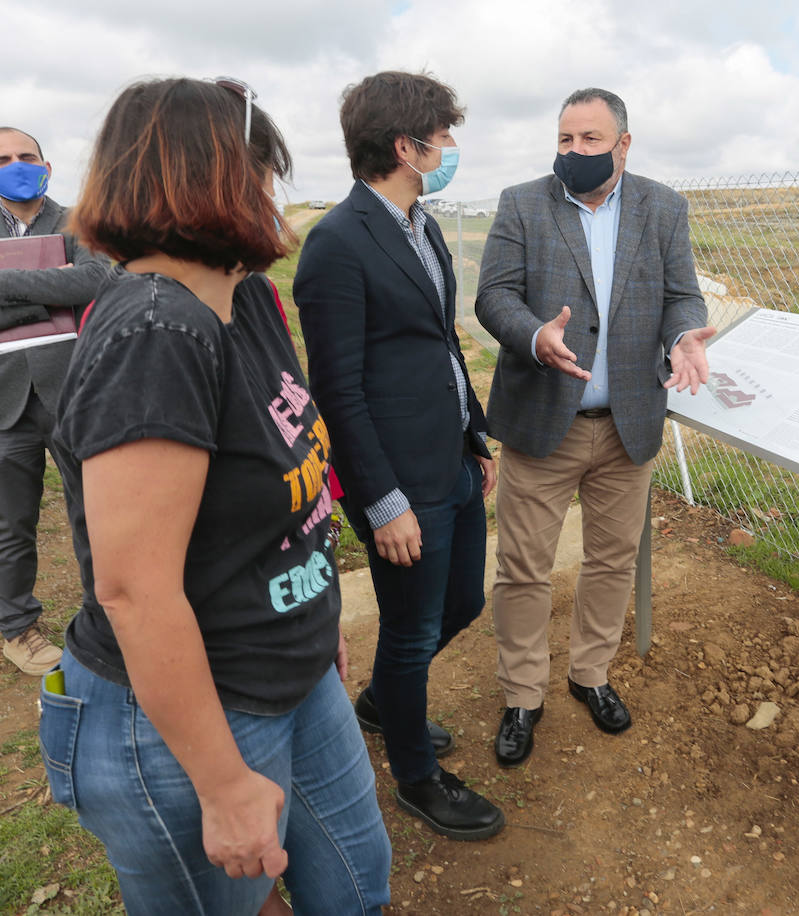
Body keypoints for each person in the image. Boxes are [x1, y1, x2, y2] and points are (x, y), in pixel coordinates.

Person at [37, 78, 390, 915]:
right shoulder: (157, 334)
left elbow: (284, 495)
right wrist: (223, 784)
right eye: (265, 170)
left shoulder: (249, 300)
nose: (275, 193)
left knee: (354, 884)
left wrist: (314, 624)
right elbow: (134, 587)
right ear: (216, 179)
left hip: (291, 674)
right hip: (188, 720)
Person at [475, 88, 715, 768]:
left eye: (588, 139)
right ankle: (523, 694)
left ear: (624, 144)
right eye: (564, 140)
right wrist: (532, 337)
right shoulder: (523, 203)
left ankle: (591, 674)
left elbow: (681, 295)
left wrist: (684, 337)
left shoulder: (662, 207)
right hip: (543, 421)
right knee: (523, 567)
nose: (574, 152)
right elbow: (493, 295)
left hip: (627, 424)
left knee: (612, 560)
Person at [293, 70, 503, 841]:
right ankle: (416, 777)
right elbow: (337, 392)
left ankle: (383, 700)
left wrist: (473, 433)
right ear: (404, 146)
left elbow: (440, 345)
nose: (449, 148)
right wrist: (381, 503)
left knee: (464, 603)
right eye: (441, 136)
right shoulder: (337, 245)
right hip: (399, 484)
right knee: (412, 634)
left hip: (448, 461)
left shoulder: (422, 226)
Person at [0, 126, 109, 675]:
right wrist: (48, 289)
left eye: (26, 156)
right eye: (3, 158)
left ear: (47, 164)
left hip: (75, 389)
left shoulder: (80, 222)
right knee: (9, 522)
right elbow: (66, 287)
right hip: (4, 401)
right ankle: (17, 628)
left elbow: (94, 281)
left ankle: (107, 613)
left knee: (95, 510)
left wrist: (6, 283)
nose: (16, 165)